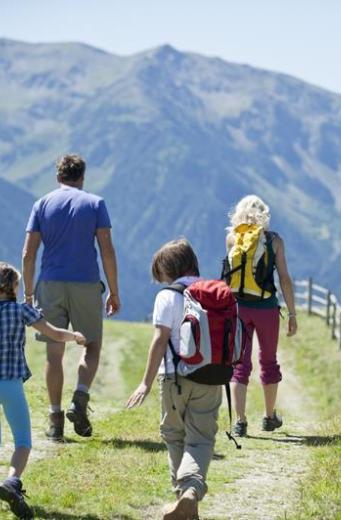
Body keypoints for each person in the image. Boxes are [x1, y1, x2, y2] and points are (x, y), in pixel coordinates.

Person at [22, 154, 121, 442]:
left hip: (50, 283)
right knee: (90, 345)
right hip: (87, 283)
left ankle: (55, 420)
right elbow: (107, 250)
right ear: (82, 177)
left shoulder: (41, 204)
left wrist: (28, 293)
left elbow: (28, 254)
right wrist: (114, 291)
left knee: (54, 352)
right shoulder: (95, 204)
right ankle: (80, 396)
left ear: (58, 177)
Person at [127, 239, 221, 520]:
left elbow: (159, 341)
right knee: (201, 440)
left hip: (174, 377)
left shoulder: (167, 296)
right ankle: (190, 495)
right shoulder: (215, 293)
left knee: (174, 437)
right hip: (212, 376)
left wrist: (145, 381)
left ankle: (184, 494)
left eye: (162, 275)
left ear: (169, 270)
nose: (162, 281)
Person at [0, 263, 85, 519]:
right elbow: (55, 334)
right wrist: (76, 336)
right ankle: (12, 482)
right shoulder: (21, 310)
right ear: (14, 287)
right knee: (23, 440)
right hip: (10, 382)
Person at [223, 194, 297, 437]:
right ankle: (268, 416)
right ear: (264, 214)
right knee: (269, 361)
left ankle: (240, 421)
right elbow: (284, 278)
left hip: (239, 308)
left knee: (239, 364)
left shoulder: (233, 237)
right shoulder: (274, 241)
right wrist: (292, 313)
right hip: (266, 308)